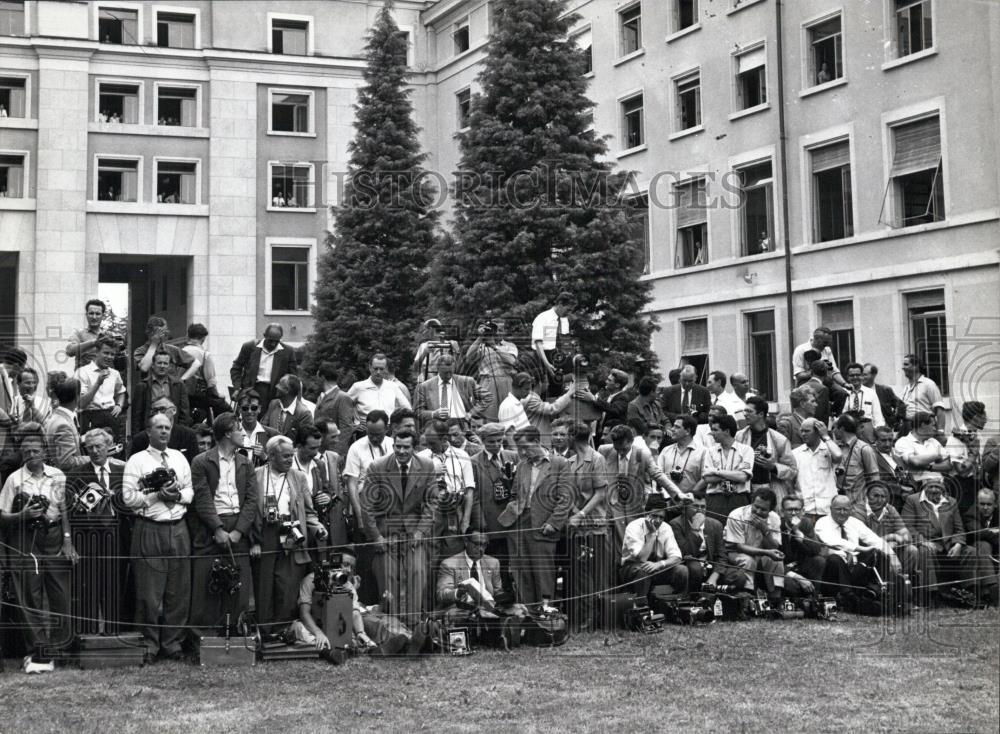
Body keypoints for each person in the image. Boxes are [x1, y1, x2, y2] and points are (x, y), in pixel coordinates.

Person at [0, 423, 76, 673]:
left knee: (60, 594)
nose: (31, 456)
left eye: (35, 451)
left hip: (53, 535)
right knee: (29, 596)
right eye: (26, 452)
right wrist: (22, 514)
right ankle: (38, 652)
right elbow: (2, 514)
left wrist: (67, 541)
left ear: (44, 451)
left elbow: (64, 511)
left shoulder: (58, 475)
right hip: (25, 537)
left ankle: (60, 649)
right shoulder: (14, 479)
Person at [121, 412, 194, 660]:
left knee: (178, 591)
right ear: (149, 432)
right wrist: (156, 496)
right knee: (148, 593)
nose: (164, 431)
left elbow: (190, 491)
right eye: (159, 427)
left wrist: (176, 496)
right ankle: (149, 645)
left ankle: (173, 644)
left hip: (179, 526)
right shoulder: (136, 461)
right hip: (149, 527)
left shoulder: (179, 458)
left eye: (167, 427)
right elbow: (129, 499)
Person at [188, 413, 257, 640]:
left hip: (238, 527)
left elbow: (251, 500)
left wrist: (238, 531)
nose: (243, 433)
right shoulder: (201, 461)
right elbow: (202, 498)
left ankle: (236, 637)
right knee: (206, 583)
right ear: (228, 433)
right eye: (239, 429)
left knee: (239, 585)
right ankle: (204, 639)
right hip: (210, 529)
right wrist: (217, 529)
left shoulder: (246, 463)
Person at [251, 435, 327, 632]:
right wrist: (254, 541)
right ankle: (265, 633)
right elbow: (249, 511)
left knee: (288, 586)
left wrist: (317, 528)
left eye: (291, 456)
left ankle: (284, 630)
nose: (289, 460)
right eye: (285, 456)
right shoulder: (256, 475)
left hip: (292, 534)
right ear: (271, 456)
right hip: (265, 535)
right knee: (264, 587)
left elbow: (309, 512)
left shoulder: (298, 477)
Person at [362, 429, 436, 617]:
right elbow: (367, 507)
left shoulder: (427, 466)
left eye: (406, 447)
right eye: (398, 447)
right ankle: (391, 631)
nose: (401, 451)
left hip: (414, 535)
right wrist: (376, 537)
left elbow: (431, 503)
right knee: (387, 582)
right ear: (393, 445)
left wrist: (420, 532)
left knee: (417, 577)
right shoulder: (377, 467)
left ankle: (413, 627)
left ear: (415, 447)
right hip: (386, 535)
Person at [499, 425, 573, 609]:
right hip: (519, 523)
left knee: (543, 573)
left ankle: (546, 613)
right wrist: (513, 511)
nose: (522, 452)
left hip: (543, 525)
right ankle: (527, 615)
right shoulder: (523, 465)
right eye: (519, 448)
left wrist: (553, 523)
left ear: (537, 442)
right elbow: (515, 494)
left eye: (526, 447)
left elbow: (566, 498)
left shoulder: (560, 463)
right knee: (521, 570)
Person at [67, 427, 127, 635]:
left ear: (109, 446)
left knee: (115, 586)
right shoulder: (76, 475)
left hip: (117, 536)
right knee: (90, 586)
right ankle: (89, 635)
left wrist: (115, 498)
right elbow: (71, 512)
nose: (94, 451)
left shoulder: (122, 471)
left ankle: (114, 633)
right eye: (89, 447)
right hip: (88, 538)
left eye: (98, 446)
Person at [602, 424, 686, 554]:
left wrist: (678, 494)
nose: (621, 452)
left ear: (631, 441)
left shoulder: (643, 455)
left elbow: (659, 476)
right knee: (611, 546)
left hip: (634, 506)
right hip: (612, 504)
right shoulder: (604, 451)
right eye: (617, 448)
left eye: (624, 448)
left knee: (632, 542)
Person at [564, 420, 612, 631]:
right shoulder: (571, 460)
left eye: (566, 435)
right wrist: (574, 512)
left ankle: (595, 617)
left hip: (595, 526)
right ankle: (580, 616)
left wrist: (582, 513)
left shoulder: (597, 459)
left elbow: (600, 492)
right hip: (576, 526)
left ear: (573, 437)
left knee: (594, 574)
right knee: (579, 575)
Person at [899, 475, 975, 599]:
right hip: (927, 544)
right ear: (924, 486)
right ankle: (931, 595)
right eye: (931, 486)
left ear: (943, 488)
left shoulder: (951, 501)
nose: (934, 490)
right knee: (924, 552)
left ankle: (972, 592)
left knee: (971, 552)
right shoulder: (913, 500)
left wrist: (958, 544)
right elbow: (907, 527)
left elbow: (959, 528)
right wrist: (923, 542)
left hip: (948, 544)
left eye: (938, 487)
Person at [816, 495, 903, 599]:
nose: (842, 512)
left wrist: (892, 555)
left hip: (855, 568)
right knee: (835, 559)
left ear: (851, 510)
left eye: (846, 509)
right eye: (838, 509)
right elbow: (834, 541)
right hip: (834, 572)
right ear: (831, 509)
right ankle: (848, 595)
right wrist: (860, 548)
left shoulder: (854, 522)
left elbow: (874, 539)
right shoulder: (822, 522)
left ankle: (880, 591)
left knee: (877, 552)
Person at [852, 482, 927, 596]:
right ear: (866, 497)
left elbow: (907, 537)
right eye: (875, 496)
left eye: (883, 497)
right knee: (880, 553)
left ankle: (898, 589)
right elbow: (862, 542)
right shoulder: (858, 511)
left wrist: (893, 543)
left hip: (890, 551)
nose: (880, 500)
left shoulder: (890, 509)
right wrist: (891, 537)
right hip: (866, 554)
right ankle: (884, 591)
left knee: (912, 550)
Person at [419, 419, 476, 565]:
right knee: (429, 557)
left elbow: (469, 490)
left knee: (454, 555)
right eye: (427, 443)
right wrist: (431, 472)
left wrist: (466, 520)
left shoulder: (462, 455)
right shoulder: (421, 458)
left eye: (433, 443)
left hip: (455, 509)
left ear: (444, 439)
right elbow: (415, 488)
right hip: (431, 511)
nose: (429, 447)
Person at [468, 422, 518, 587]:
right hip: (491, 523)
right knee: (497, 566)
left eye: (499, 440)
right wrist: (481, 525)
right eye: (491, 442)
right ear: (482, 441)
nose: (496, 445)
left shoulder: (513, 456)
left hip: (514, 522)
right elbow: (473, 497)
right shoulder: (474, 462)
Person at [722, 488, 785, 603]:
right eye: (756, 507)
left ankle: (776, 601)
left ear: (771, 510)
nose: (758, 512)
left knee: (776, 561)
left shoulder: (775, 518)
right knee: (748, 561)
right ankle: (747, 600)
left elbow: (774, 546)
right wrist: (766, 552)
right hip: (735, 552)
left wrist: (765, 531)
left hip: (761, 553)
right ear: (752, 502)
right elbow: (739, 546)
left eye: (763, 509)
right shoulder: (737, 515)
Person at [620, 494, 688, 598]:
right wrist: (652, 534)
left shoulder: (666, 527)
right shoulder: (634, 527)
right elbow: (642, 558)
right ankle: (641, 607)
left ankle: (677, 605)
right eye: (654, 516)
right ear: (646, 514)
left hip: (656, 567)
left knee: (682, 570)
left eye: (661, 517)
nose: (658, 521)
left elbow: (677, 557)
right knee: (644, 570)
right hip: (633, 567)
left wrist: (660, 564)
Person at [436, 531, 512, 622]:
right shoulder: (449, 564)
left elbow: (497, 592)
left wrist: (507, 602)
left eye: (484, 545)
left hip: (487, 611)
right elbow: (441, 594)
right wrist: (458, 593)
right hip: (461, 610)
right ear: (466, 541)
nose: (480, 549)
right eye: (476, 544)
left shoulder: (493, 562)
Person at [734, 396, 797, 504]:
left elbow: (792, 471)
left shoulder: (779, 440)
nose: (745, 414)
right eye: (745, 410)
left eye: (749, 411)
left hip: (770, 491)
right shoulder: (740, 436)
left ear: (761, 414)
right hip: (746, 491)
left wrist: (773, 467)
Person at [700, 414, 755, 522]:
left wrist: (716, 471)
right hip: (715, 499)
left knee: (738, 534)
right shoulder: (710, 451)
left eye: (715, 430)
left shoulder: (746, 450)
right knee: (715, 532)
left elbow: (743, 477)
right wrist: (734, 475)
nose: (711, 433)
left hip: (738, 498)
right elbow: (708, 478)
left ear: (727, 431)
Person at [230, 324, 298, 408]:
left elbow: (293, 377)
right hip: (250, 391)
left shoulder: (288, 351)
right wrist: (238, 387)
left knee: (270, 420)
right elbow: (236, 367)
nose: (273, 344)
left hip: (274, 394)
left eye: (276, 341)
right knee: (250, 417)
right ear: (264, 335)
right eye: (270, 341)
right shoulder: (249, 347)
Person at [413, 353, 490, 428]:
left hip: (463, 427)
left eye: (451, 372)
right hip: (437, 429)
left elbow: (487, 397)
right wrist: (433, 414)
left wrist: (471, 413)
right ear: (438, 369)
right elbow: (417, 411)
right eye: (445, 373)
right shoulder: (423, 387)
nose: (449, 375)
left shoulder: (467, 382)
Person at [74, 334, 126, 443]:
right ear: (96, 352)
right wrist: (98, 383)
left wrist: (119, 405)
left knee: (114, 453)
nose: (109, 357)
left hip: (111, 416)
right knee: (93, 452)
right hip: (90, 417)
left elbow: (121, 391)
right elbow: (80, 403)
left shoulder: (114, 373)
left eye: (112, 354)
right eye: (106, 353)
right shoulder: (82, 372)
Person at [464, 320, 518, 421]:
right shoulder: (481, 346)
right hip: (487, 381)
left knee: (508, 415)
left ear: (505, 331)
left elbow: (512, 361)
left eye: (500, 330)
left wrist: (494, 346)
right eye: (495, 330)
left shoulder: (510, 346)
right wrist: (480, 337)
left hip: (506, 381)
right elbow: (468, 358)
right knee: (488, 416)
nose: (497, 332)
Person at [669, 493, 725, 592]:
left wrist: (715, 576)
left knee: (738, 575)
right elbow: (686, 553)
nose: (700, 510)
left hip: (710, 564)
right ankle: (694, 599)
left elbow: (722, 555)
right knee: (695, 568)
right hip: (689, 563)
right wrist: (695, 529)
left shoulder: (716, 525)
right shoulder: (675, 524)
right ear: (686, 508)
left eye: (703, 506)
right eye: (695, 506)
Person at [792, 417, 843, 522]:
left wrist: (825, 436)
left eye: (807, 431)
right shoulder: (795, 453)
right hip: (805, 510)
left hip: (827, 509)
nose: (803, 434)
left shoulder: (829, 450)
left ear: (817, 432)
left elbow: (838, 456)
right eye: (802, 431)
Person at [131, 349, 190, 435]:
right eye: (159, 363)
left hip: (172, 431)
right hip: (149, 432)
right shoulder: (143, 386)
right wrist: (137, 437)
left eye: (165, 363)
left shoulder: (178, 385)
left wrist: (180, 433)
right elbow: (136, 416)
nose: (162, 366)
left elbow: (184, 413)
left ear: (169, 366)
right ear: (153, 365)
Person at [180, 323, 231, 421]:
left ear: (188, 336)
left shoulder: (180, 351)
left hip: (182, 396)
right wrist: (218, 396)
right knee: (228, 412)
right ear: (203, 338)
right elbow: (211, 383)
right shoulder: (205, 355)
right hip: (199, 397)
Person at [944, 401, 988, 513]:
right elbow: (961, 471)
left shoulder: (977, 435)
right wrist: (973, 455)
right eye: (984, 416)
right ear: (975, 417)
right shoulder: (955, 439)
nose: (986, 419)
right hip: (961, 486)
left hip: (976, 483)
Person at [531, 291, 576, 397]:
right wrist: (547, 364)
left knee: (557, 390)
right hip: (541, 357)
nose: (568, 313)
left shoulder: (564, 320)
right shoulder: (542, 318)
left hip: (556, 356)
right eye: (567, 309)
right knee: (542, 390)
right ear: (560, 304)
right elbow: (538, 344)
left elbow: (564, 341)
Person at [777, 495, 825, 596]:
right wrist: (797, 577)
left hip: (800, 565)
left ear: (803, 511)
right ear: (782, 512)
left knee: (819, 560)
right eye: (790, 510)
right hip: (783, 568)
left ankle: (814, 598)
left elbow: (816, 550)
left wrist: (799, 533)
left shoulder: (806, 523)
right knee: (792, 586)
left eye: (797, 510)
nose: (794, 513)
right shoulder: (777, 525)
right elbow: (773, 559)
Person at [128, 397, 200, 464]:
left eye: (162, 409)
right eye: (155, 410)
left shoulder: (188, 435)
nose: (158, 413)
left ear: (174, 410)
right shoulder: (141, 438)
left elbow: (193, 465)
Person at [346, 353, 412, 425]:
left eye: (381, 369)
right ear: (370, 367)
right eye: (375, 368)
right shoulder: (358, 387)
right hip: (366, 429)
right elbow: (344, 407)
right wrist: (353, 426)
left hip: (388, 429)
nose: (378, 372)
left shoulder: (393, 387)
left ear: (386, 369)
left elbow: (407, 408)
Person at [893, 411, 951, 488]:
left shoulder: (933, 441)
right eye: (933, 425)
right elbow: (915, 461)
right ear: (923, 425)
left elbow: (947, 465)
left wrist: (928, 467)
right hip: (920, 485)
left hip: (940, 483)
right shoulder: (904, 441)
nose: (935, 429)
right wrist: (938, 455)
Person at [42, 379, 89, 472]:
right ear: (77, 397)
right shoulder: (63, 424)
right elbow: (66, 462)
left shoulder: (56, 417)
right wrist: (92, 458)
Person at [832, 414, 879, 506]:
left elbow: (874, 478)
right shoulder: (835, 448)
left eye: (835, 428)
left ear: (841, 429)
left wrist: (872, 503)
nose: (833, 431)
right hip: (837, 504)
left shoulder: (864, 449)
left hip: (856, 505)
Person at [963, 489, 999, 604]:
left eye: (989, 504)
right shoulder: (970, 514)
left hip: (995, 548)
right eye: (982, 504)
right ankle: (990, 588)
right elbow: (978, 533)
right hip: (975, 548)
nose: (985, 507)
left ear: (995, 505)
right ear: (977, 504)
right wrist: (994, 533)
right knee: (983, 544)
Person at [313, 362, 356, 456]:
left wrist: (336, 454)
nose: (316, 380)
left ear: (322, 377)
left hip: (333, 452)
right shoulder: (320, 398)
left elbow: (346, 428)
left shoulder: (342, 397)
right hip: (320, 451)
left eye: (317, 376)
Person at [657, 414, 705, 496]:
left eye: (677, 427)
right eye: (673, 426)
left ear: (688, 431)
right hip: (668, 500)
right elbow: (658, 474)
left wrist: (691, 493)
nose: (672, 429)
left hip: (692, 501)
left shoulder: (703, 452)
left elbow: (705, 478)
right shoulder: (666, 450)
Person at [575, 368, 630, 436]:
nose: (606, 381)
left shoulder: (623, 398)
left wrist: (593, 398)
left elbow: (614, 409)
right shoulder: (607, 398)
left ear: (617, 385)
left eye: (609, 380)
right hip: (600, 435)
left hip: (613, 437)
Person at [899, 354, 946, 432]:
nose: (903, 367)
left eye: (906, 364)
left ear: (916, 366)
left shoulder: (929, 384)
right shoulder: (906, 388)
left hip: (924, 427)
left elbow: (939, 409)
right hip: (907, 428)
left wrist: (941, 431)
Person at [839, 362, 885, 443]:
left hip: (867, 431)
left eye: (858, 375)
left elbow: (878, 417)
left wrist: (878, 434)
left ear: (862, 376)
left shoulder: (871, 393)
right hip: (848, 432)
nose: (855, 377)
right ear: (847, 377)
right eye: (852, 375)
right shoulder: (843, 393)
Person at [262, 374, 314, 440]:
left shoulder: (304, 414)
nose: (276, 386)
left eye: (280, 384)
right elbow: (262, 428)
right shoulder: (273, 404)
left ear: (286, 390)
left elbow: (304, 440)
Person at [234, 389, 278, 467]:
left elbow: (279, 465)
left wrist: (264, 457)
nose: (250, 412)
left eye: (254, 408)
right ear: (239, 409)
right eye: (245, 408)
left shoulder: (272, 435)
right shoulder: (231, 433)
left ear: (259, 409)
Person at [66, 298, 107, 369]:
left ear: (102, 316)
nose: (94, 317)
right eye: (91, 313)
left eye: (97, 314)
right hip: (82, 377)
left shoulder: (107, 335)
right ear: (86, 315)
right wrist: (93, 342)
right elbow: (69, 351)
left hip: (103, 375)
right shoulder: (78, 333)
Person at [863, 362, 900, 433]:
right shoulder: (860, 391)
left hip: (884, 430)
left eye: (865, 375)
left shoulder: (884, 390)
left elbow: (900, 405)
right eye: (861, 374)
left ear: (873, 375)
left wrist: (893, 422)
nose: (862, 377)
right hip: (866, 430)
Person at [803, 360, 833, 425]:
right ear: (826, 373)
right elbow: (819, 413)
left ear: (811, 371)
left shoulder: (802, 386)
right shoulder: (823, 389)